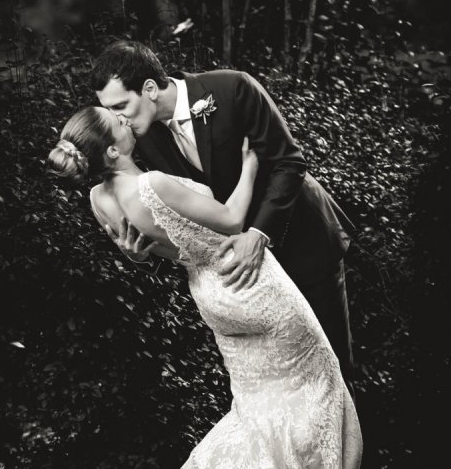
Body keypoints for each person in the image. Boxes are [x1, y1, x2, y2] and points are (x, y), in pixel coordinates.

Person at [47, 105, 365, 469]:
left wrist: (143, 257)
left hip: (210, 294)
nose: (128, 122)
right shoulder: (151, 184)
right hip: (251, 281)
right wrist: (252, 166)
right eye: (118, 122)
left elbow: (169, 251)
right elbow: (233, 219)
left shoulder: (98, 199)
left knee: (257, 409)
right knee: (323, 381)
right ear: (111, 149)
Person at [91, 41, 357, 395]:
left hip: (302, 244)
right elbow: (176, 219)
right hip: (247, 285)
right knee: (287, 390)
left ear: (150, 89)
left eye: (121, 105)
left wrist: (259, 233)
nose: (117, 119)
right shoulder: (141, 139)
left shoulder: (232, 88)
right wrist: (142, 254)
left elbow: (288, 162)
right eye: (109, 110)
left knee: (333, 373)